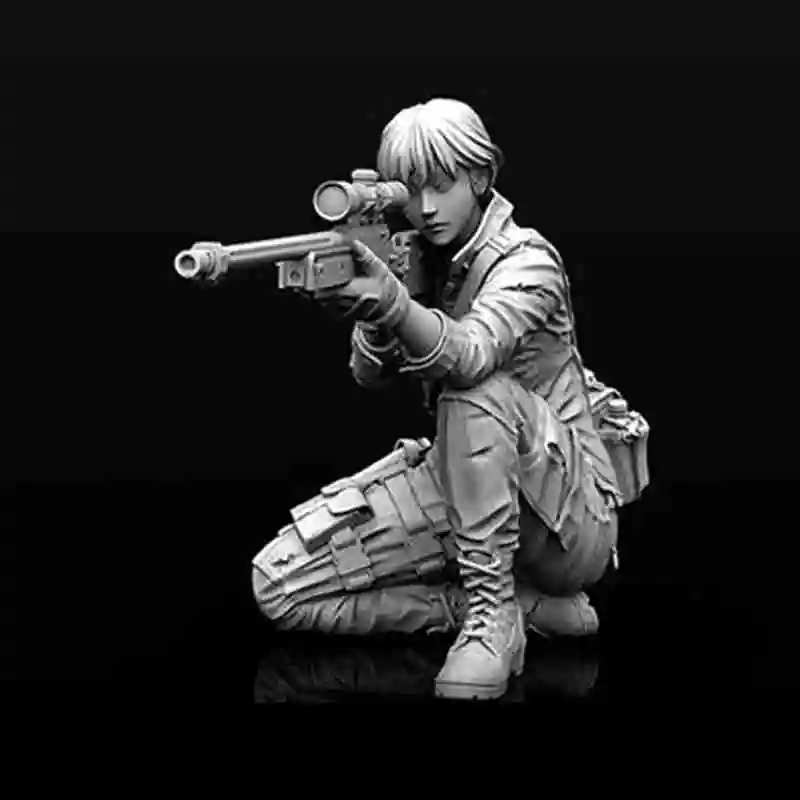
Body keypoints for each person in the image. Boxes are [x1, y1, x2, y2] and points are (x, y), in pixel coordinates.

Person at [251, 98, 649, 701]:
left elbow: (470, 357)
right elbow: (368, 376)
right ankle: (502, 609)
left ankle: (491, 620)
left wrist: (394, 305)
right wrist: (374, 313)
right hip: (469, 475)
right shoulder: (421, 256)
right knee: (279, 585)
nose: (427, 207)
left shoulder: (528, 261)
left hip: (570, 516)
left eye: (442, 186)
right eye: (411, 191)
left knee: (475, 390)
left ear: (482, 178)